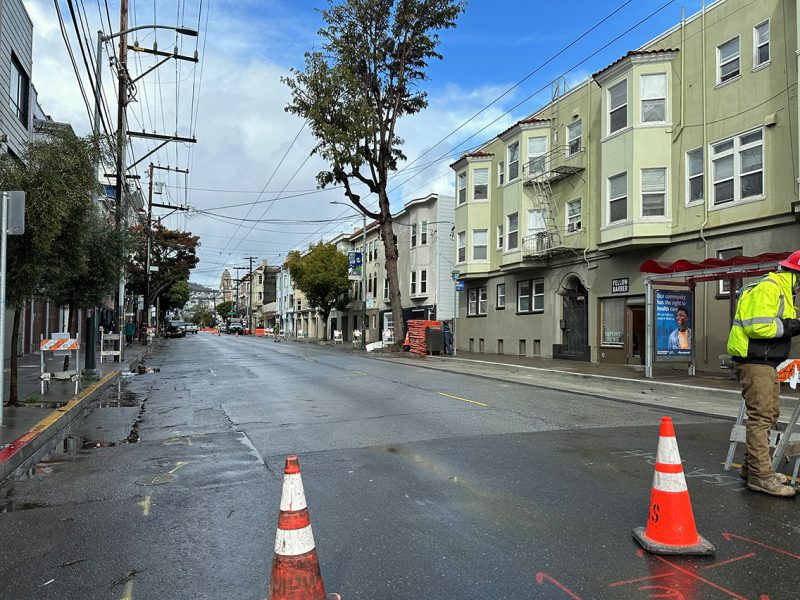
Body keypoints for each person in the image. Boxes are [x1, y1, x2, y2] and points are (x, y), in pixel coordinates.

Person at [727, 251, 800, 497]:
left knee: (768, 414)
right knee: (761, 417)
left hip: (764, 361)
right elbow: (757, 326)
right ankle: (761, 476)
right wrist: (793, 325)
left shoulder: (778, 287)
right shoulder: (771, 287)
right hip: (756, 361)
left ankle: (752, 468)